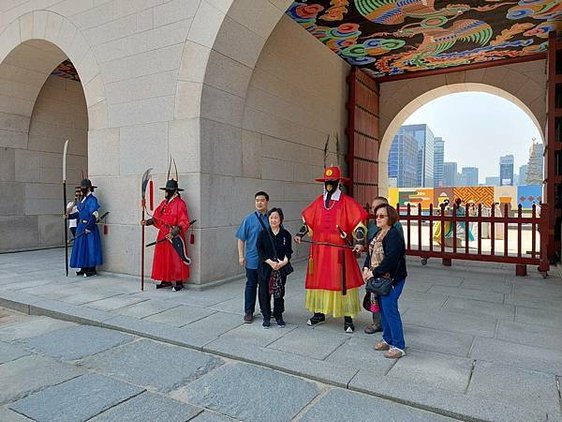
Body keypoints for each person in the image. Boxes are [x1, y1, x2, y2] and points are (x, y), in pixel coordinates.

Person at [294, 166, 368, 333]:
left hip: (339, 250)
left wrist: (359, 241)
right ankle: (319, 313)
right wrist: (300, 233)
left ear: (338, 183)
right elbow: (309, 222)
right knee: (319, 279)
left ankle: (348, 318)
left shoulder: (347, 202)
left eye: (332, 182)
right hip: (319, 250)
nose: (329, 184)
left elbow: (359, 223)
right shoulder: (319, 201)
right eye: (326, 182)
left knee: (343, 281)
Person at [363, 204, 407, 359]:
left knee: (390, 310)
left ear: (390, 218)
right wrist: (366, 268)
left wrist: (374, 272)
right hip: (379, 279)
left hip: (392, 279)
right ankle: (388, 339)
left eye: (382, 216)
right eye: (377, 216)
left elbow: (391, 260)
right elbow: (370, 254)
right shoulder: (378, 233)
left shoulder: (393, 235)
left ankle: (398, 345)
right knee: (382, 310)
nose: (378, 218)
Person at [141, 179, 191, 292]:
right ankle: (166, 280)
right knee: (163, 257)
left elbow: (184, 221)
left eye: (168, 191)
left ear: (173, 191)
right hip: (163, 234)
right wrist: (147, 222)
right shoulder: (164, 203)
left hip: (174, 235)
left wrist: (174, 232)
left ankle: (179, 281)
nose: (166, 193)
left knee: (176, 258)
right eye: (166, 191)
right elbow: (157, 217)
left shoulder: (180, 204)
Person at [236, 191, 269, 323]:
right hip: (252, 259)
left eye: (262, 200)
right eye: (257, 200)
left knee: (265, 286)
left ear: (267, 202)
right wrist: (241, 256)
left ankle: (265, 309)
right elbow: (241, 239)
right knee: (251, 285)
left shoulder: (272, 217)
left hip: (267, 260)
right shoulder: (249, 219)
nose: (259, 203)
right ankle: (249, 311)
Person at [256, 208, 293, 328]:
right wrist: (271, 263)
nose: (273, 220)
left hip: (280, 268)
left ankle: (278, 315)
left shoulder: (286, 235)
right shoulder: (263, 233)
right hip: (266, 268)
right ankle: (266, 317)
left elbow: (289, 251)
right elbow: (260, 250)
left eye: (276, 217)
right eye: (271, 217)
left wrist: (282, 263)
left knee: (279, 293)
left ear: (281, 219)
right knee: (264, 293)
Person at [69, 179, 103, 277]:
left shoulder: (93, 200)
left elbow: (94, 214)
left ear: (88, 188)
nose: (82, 190)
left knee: (91, 248)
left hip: (89, 228)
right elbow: (79, 213)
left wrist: (89, 226)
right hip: (80, 227)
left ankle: (91, 269)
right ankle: (83, 267)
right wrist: (69, 216)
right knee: (81, 248)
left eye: (84, 188)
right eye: (81, 188)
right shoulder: (82, 200)